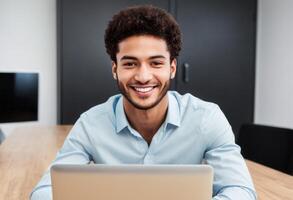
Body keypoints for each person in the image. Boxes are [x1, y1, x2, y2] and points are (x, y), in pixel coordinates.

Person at [31, 5, 256, 200]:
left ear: (172, 68)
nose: (143, 76)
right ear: (115, 70)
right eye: (130, 64)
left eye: (156, 63)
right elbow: (44, 191)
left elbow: (241, 190)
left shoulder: (207, 118)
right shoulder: (91, 123)